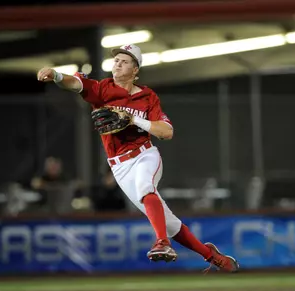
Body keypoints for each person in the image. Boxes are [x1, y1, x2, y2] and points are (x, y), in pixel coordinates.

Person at [37, 44, 238, 272]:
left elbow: (166, 132)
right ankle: (210, 255)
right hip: (119, 168)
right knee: (169, 223)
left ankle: (162, 243)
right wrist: (56, 75)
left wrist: (133, 119)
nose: (117, 63)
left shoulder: (147, 96)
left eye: (124, 61)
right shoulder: (102, 89)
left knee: (145, 188)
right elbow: (76, 83)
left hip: (145, 155)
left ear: (135, 70)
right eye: (116, 60)